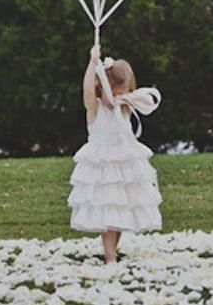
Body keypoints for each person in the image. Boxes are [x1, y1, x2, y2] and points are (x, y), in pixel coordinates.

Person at [68, 41, 162, 263]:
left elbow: (147, 100)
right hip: (103, 163)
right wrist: (93, 62)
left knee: (121, 210)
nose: (118, 97)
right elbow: (87, 89)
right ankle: (110, 256)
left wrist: (126, 98)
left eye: (123, 91)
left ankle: (113, 251)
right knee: (108, 210)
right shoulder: (95, 106)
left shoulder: (127, 104)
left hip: (125, 161)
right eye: (116, 92)